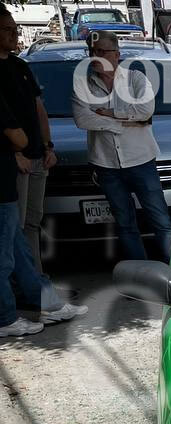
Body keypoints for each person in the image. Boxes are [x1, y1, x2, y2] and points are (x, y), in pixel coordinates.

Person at [72, 31, 171, 262]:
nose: (95, 56)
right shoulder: (83, 85)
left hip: (141, 161)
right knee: (125, 224)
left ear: (116, 54)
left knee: (161, 222)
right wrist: (124, 123)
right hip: (106, 164)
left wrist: (108, 113)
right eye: (92, 52)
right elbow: (82, 119)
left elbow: (145, 112)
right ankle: (140, 277)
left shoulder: (136, 79)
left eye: (101, 52)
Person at [1, 73, 87, 336]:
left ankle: (47, 304)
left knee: (20, 251)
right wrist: (20, 144)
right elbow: (18, 136)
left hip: (6, 188)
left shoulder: (19, 69)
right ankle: (5, 318)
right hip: (3, 185)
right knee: (4, 258)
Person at [0, 7, 56, 272]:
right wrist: (14, 154)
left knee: (33, 222)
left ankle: (38, 282)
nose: (14, 34)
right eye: (8, 30)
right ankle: (24, 292)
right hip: (15, 161)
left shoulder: (20, 65)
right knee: (15, 227)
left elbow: (39, 109)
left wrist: (48, 146)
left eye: (15, 29)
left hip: (38, 156)